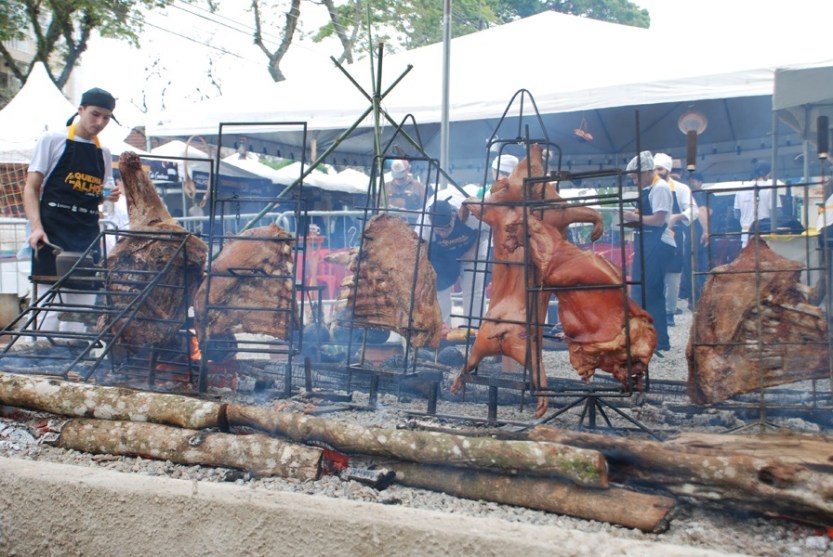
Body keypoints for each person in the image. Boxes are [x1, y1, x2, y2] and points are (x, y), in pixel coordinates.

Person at [23, 87, 122, 333]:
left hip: (86, 236)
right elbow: (31, 188)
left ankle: (73, 351)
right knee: (47, 310)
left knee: (81, 312)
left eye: (106, 118)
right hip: (52, 233)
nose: (99, 123)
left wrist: (107, 196)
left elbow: (93, 196)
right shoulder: (52, 140)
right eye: (95, 114)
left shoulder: (103, 153)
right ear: (81, 110)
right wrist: (36, 228)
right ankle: (39, 354)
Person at [622, 150, 674, 352]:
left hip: (658, 242)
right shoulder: (650, 188)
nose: (635, 181)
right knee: (642, 290)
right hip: (647, 241)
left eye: (636, 177)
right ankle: (649, 336)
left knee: (651, 291)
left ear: (645, 172)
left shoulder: (660, 188)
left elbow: (659, 220)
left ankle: (659, 340)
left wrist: (633, 217)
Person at [419, 193, 480, 333]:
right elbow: (420, 248)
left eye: (446, 228)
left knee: (472, 286)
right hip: (441, 252)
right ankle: (443, 329)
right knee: (440, 286)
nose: (443, 233)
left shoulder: (472, 216)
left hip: (472, 243)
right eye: (438, 230)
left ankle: (474, 329)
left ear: (453, 217)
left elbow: (487, 230)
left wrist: (473, 250)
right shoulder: (425, 225)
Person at [653, 153, 694, 326]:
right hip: (652, 236)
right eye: (654, 169)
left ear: (668, 170)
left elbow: (693, 210)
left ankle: (669, 311)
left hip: (673, 235)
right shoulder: (649, 188)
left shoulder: (680, 188)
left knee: (673, 275)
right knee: (654, 275)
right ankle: (655, 311)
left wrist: (677, 217)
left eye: (660, 169)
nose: (657, 172)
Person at [733, 161, 779, 247]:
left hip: (746, 234)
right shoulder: (771, 189)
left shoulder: (740, 190)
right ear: (767, 173)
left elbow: (736, 214)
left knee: (747, 254)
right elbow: (777, 214)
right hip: (766, 235)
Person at [687, 172, 711, 306]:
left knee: (696, 267)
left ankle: (697, 298)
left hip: (696, 235)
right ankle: (698, 298)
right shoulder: (694, 194)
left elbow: (706, 211)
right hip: (694, 235)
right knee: (697, 267)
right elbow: (703, 211)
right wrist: (706, 231)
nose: (691, 183)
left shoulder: (699, 194)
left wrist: (705, 231)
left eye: (693, 181)